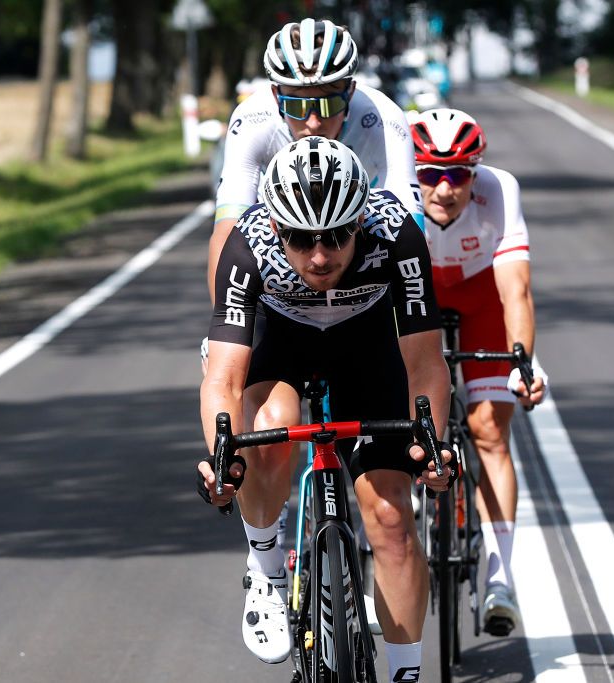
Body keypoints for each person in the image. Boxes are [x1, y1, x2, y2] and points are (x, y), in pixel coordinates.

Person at [197, 136, 453, 680]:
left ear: (361, 222)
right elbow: (223, 374)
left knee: (390, 521)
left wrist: (431, 442)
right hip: (284, 343)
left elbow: (425, 360)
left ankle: (406, 674)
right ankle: (266, 568)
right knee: (266, 431)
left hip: (367, 348)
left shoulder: (396, 234)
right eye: (300, 239)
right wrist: (223, 461)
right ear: (274, 228)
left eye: (337, 237)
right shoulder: (248, 246)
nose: (319, 256)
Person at [406, 108, 550, 636]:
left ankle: (500, 576)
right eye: (430, 174)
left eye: (458, 174)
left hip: (480, 295)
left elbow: (516, 289)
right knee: (404, 421)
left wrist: (521, 360)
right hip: (414, 296)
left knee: (490, 429)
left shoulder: (500, 191)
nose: (444, 188)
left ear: (476, 172)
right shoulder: (392, 189)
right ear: (412, 169)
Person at [207, 17, 425, 301]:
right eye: (296, 106)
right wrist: (220, 323)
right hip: (284, 251)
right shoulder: (252, 120)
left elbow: (412, 229)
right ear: (276, 95)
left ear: (350, 91)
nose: (313, 122)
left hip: (361, 247)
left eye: (329, 104)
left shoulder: (384, 118)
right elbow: (227, 233)